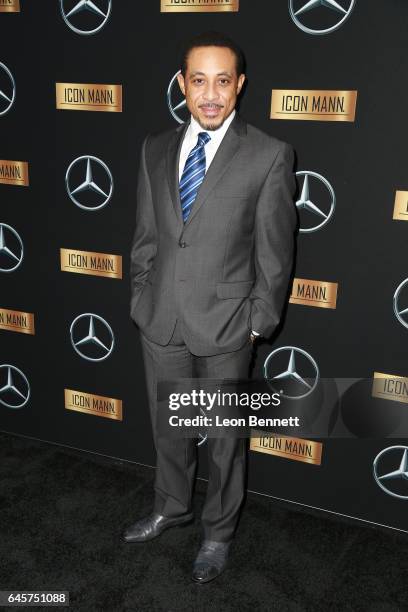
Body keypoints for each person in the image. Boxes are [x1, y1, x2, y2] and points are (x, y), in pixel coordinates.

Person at [123, 31, 297, 584]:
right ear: (182, 85)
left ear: (240, 85)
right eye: (199, 81)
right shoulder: (154, 147)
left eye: (223, 81)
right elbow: (147, 238)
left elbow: (277, 252)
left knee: (224, 442)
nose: (211, 94)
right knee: (168, 430)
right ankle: (171, 508)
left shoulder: (269, 155)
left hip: (227, 327)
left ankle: (218, 534)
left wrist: (256, 324)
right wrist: (141, 297)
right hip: (161, 321)